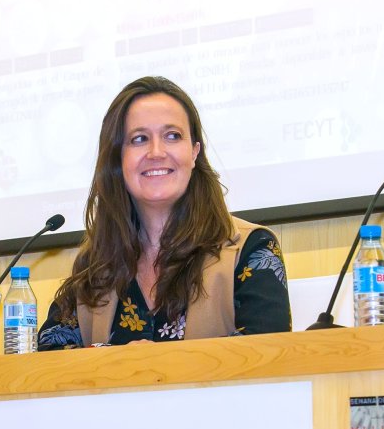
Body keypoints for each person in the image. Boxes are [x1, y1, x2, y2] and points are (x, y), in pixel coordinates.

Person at [38, 76, 290, 349]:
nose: (156, 152)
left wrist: (151, 362)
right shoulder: (95, 268)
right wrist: (121, 359)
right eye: (139, 139)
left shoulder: (252, 249)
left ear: (194, 152)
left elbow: (267, 352)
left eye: (172, 136)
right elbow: (49, 358)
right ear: (118, 159)